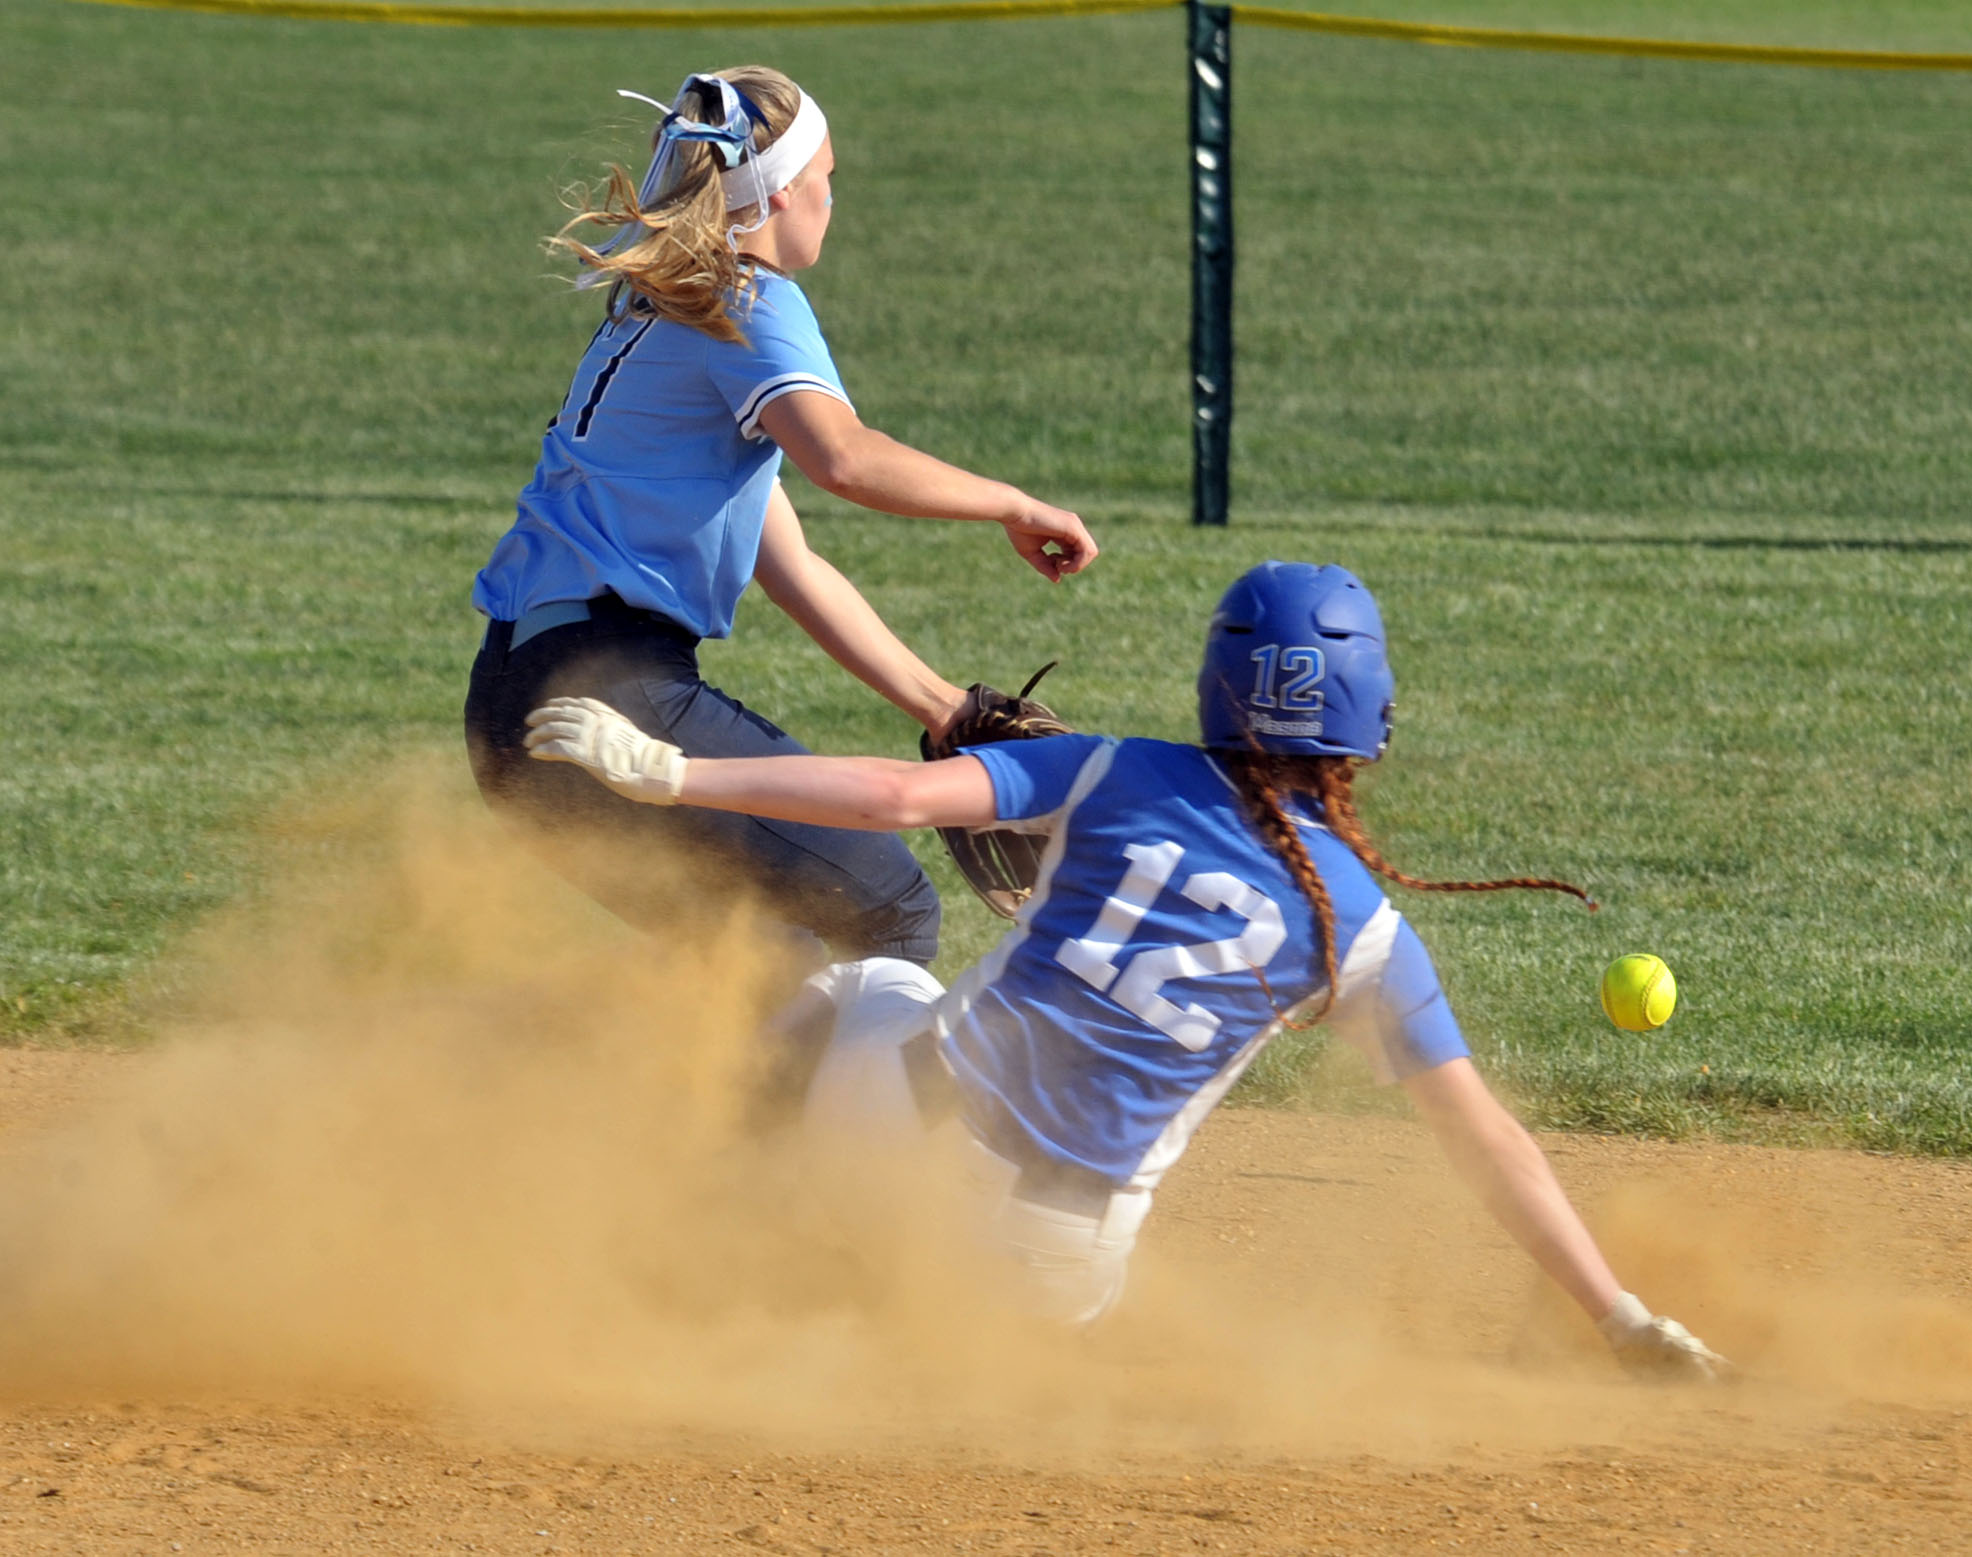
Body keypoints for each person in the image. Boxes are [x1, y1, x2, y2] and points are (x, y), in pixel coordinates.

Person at [521, 561, 1731, 1380]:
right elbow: (1490, 1145)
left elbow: (893, 797)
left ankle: (700, 1244)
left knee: (862, 990)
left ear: (1216, 685)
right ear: (1370, 717)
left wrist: (671, 775)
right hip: (1050, 1279)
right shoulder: (1361, 932)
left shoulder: (1115, 772)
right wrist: (1618, 1318)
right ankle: (861, 1311)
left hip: (903, 1144)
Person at [465, 67, 1096, 968]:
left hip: (509, 714)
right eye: (829, 178)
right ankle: (847, 1113)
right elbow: (841, 456)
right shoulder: (745, 297)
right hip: (607, 691)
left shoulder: (656, 312)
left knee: (761, 957)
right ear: (785, 191)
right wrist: (1015, 503)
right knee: (886, 912)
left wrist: (944, 710)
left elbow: (788, 561)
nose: (834, 199)